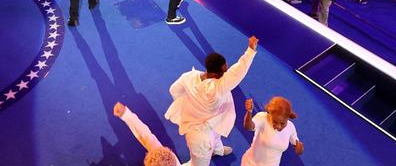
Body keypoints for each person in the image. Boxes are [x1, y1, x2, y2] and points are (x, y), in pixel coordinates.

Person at [165, 36, 259, 166]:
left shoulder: (188, 77)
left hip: (212, 123)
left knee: (216, 136)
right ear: (215, 74)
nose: (227, 72)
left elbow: (173, 90)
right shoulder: (216, 88)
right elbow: (237, 72)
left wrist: (189, 103)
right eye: (224, 71)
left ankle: (217, 150)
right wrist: (250, 50)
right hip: (200, 137)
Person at [241, 97, 304, 166]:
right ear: (269, 113)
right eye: (275, 122)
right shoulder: (262, 118)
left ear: (288, 118)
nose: (278, 126)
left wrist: (299, 149)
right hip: (251, 163)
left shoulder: (291, 127)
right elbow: (248, 127)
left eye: (282, 123)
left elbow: (297, 145)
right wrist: (249, 112)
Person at [113, 102, 181, 166]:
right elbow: (144, 134)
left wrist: (126, 115)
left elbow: (145, 134)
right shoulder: (159, 154)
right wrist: (125, 115)